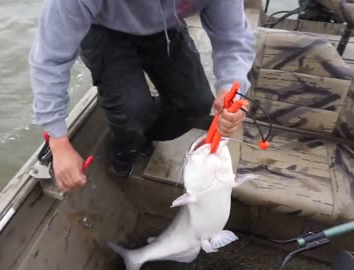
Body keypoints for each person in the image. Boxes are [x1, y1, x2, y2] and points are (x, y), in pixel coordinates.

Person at [29, 0, 256, 192]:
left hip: (167, 27)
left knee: (197, 105)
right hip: (105, 30)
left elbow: (233, 39)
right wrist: (58, 142)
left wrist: (233, 89)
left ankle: (140, 129)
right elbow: (49, 59)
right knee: (131, 112)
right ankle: (123, 152)